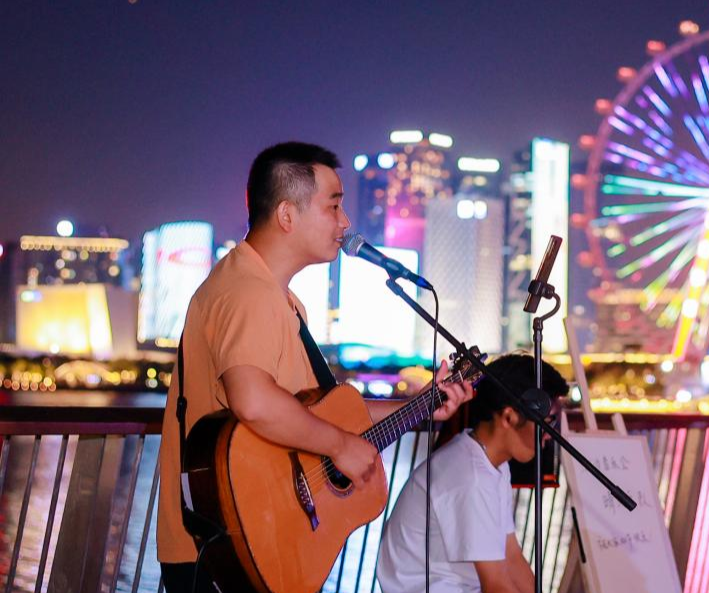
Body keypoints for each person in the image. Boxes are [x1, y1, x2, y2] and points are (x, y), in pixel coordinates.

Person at [155, 142, 474, 592]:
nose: (345, 223)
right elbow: (254, 401)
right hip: (225, 548)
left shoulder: (279, 299)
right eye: (334, 205)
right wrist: (340, 445)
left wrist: (421, 403)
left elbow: (319, 413)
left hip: (261, 540)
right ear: (287, 215)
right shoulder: (248, 292)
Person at [376, 354, 569, 593]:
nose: (551, 433)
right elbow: (496, 585)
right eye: (548, 421)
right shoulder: (471, 475)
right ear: (509, 417)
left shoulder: (492, 464)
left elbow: (511, 557)